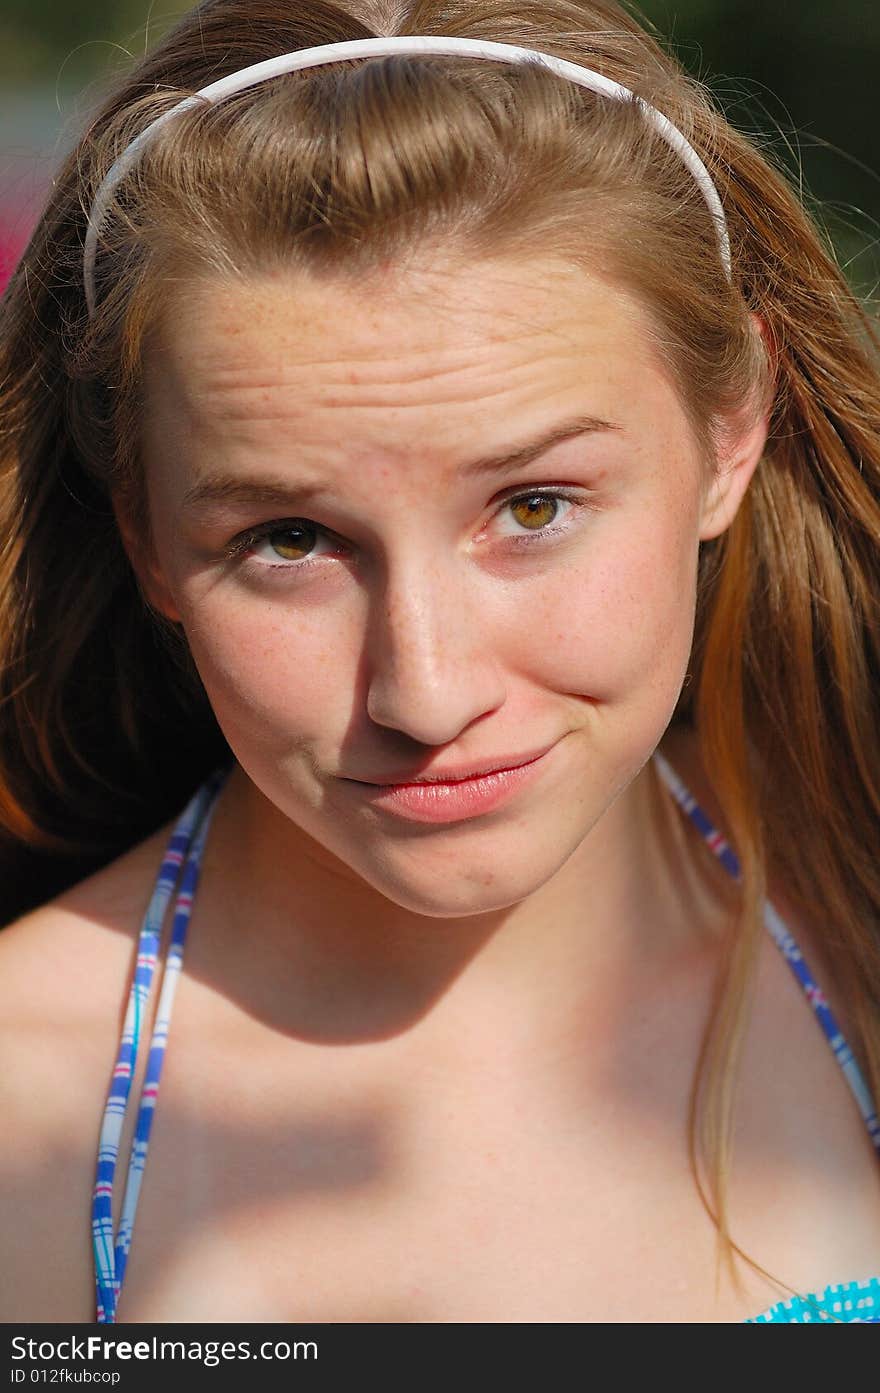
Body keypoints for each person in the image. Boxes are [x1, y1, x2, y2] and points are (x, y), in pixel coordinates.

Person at [0, 0, 878, 1326]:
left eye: (532, 508)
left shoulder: (859, 908)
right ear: (148, 538)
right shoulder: (25, 1126)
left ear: (730, 426)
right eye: (290, 538)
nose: (425, 688)